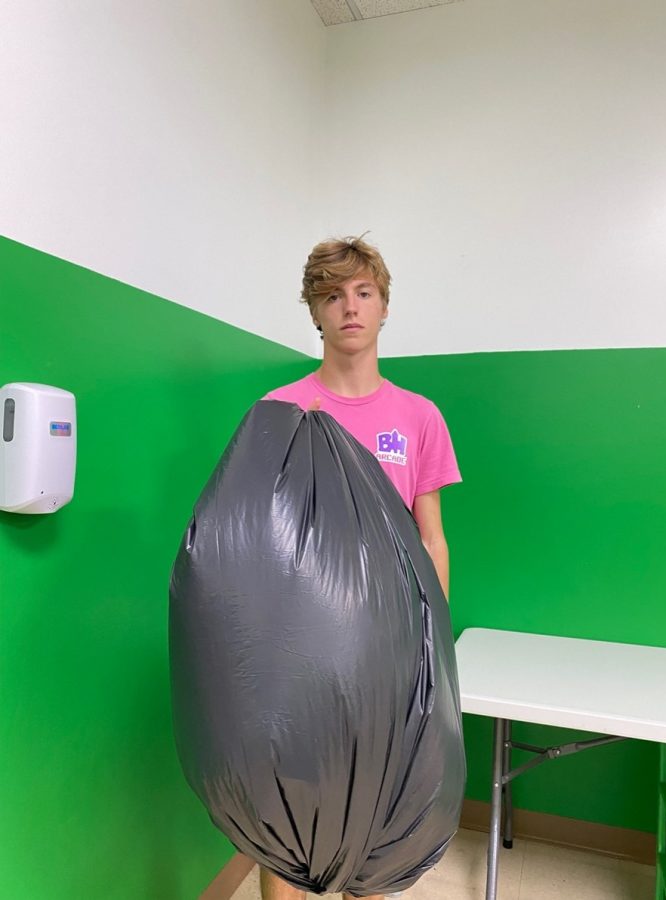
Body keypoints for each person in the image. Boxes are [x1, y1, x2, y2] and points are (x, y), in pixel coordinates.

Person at [260, 235, 462, 900]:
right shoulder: (280, 410)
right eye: (331, 295)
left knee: (376, 804)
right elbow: (258, 539)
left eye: (363, 293)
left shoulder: (418, 416)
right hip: (300, 642)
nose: (348, 306)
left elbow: (430, 538)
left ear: (382, 308)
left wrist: (431, 643)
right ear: (314, 313)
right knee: (286, 802)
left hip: (386, 641)